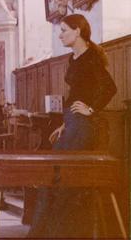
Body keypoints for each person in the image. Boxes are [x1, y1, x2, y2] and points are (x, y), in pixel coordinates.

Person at [28, 14, 117, 238]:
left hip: (83, 126)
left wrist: (91, 110)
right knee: (53, 177)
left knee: (61, 178)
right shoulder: (74, 58)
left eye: (64, 30)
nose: (60, 35)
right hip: (72, 124)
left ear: (78, 31)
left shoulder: (91, 58)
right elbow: (74, 95)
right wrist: (64, 125)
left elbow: (110, 88)